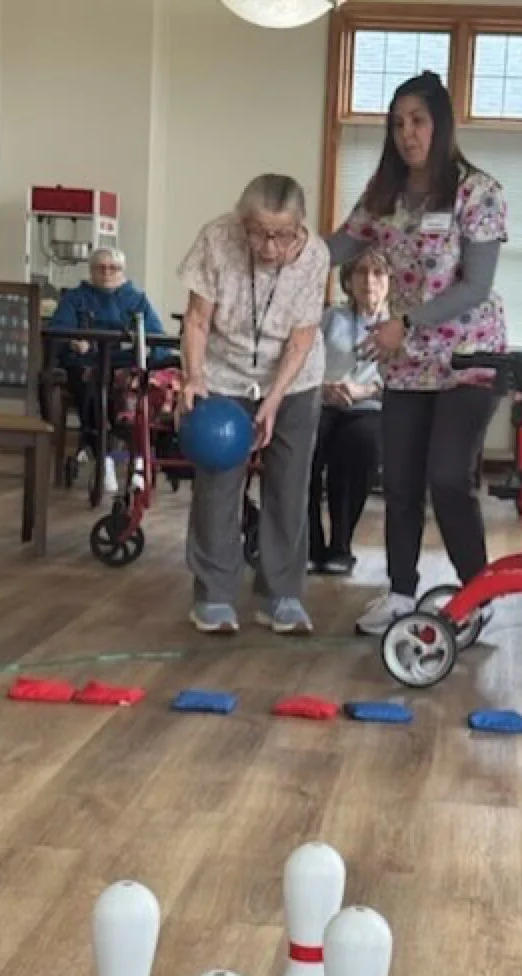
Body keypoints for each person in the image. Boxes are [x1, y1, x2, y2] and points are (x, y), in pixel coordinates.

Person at [327, 69, 508, 636]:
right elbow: (335, 247)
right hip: (405, 359)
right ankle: (402, 593)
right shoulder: (382, 196)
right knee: (401, 483)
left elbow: (475, 285)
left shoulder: (477, 191)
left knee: (448, 477)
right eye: (398, 122)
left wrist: (405, 322)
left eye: (419, 120)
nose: (407, 133)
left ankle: (478, 595)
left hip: (468, 357)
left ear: (441, 124)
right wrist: (283, 243)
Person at [177, 173, 330, 635]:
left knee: (289, 486)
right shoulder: (217, 238)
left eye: (282, 235)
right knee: (219, 482)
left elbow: (303, 337)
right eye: (259, 232)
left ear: (299, 226)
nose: (269, 246)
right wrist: (195, 377)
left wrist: (275, 398)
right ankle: (214, 596)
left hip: (295, 379)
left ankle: (281, 596)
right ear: (242, 222)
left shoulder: (316, 256)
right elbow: (198, 318)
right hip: (225, 373)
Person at [48, 247, 169, 493]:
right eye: (100, 268)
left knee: (143, 386)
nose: (107, 273)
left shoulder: (136, 299)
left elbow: (157, 336)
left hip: (125, 363)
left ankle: (137, 458)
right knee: (91, 387)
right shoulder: (75, 298)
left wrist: (148, 351)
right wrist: (73, 341)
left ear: (122, 271)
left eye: (113, 268)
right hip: (88, 362)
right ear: (91, 270)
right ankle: (103, 455)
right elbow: (58, 330)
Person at [308, 246, 389, 574]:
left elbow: (404, 380)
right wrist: (325, 387)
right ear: (348, 281)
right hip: (324, 402)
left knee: (359, 446)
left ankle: (341, 545)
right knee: (304, 446)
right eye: (360, 272)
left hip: (371, 405)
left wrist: (365, 389)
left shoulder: (399, 325)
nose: (369, 281)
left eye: (378, 273)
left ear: (391, 281)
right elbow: (306, 363)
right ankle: (310, 545)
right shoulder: (330, 319)